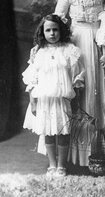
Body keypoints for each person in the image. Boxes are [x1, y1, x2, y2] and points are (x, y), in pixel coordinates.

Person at [54, 0, 105, 166]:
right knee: (80, 91)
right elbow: (58, 19)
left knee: (101, 94)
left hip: (102, 42)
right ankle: (74, 156)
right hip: (77, 43)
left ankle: (101, 152)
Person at [22, 14, 85, 177]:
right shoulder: (38, 52)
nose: (52, 33)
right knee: (48, 132)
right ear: (42, 32)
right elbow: (32, 79)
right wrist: (33, 102)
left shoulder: (69, 50)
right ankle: (52, 164)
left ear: (61, 31)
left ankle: (62, 165)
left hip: (62, 99)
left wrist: (74, 98)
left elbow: (76, 75)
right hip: (44, 99)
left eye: (55, 30)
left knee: (63, 132)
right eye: (48, 30)